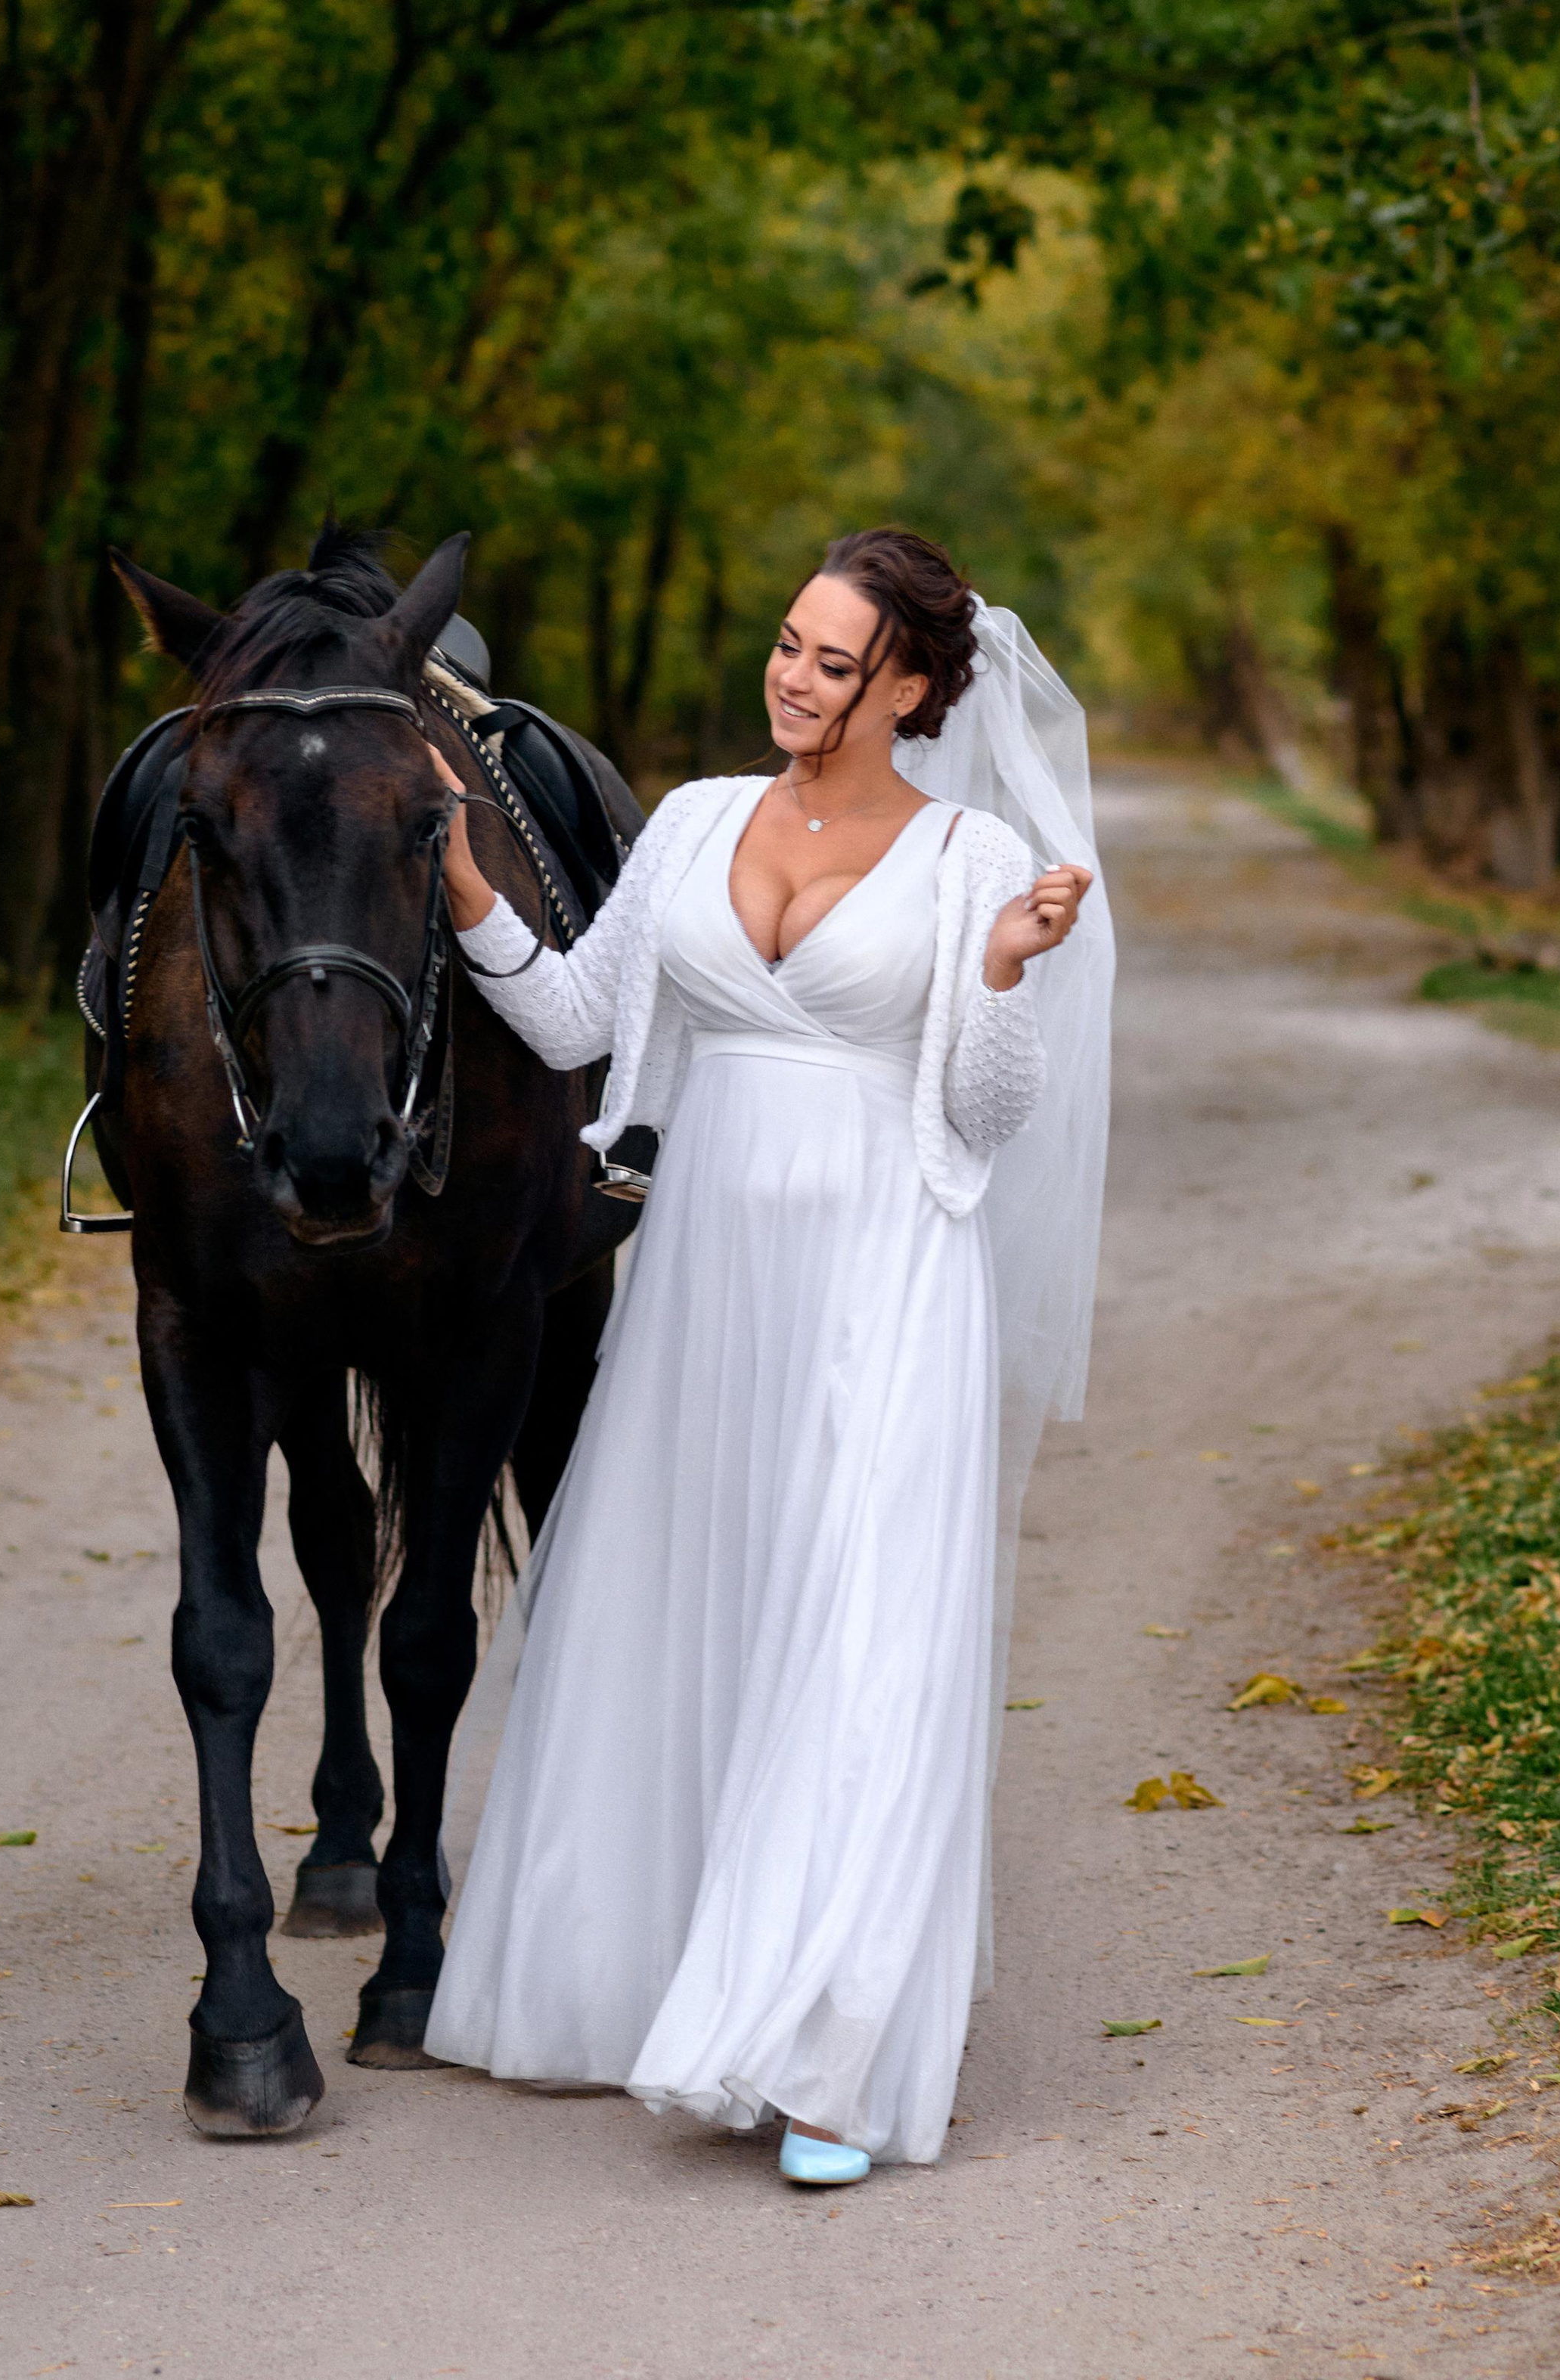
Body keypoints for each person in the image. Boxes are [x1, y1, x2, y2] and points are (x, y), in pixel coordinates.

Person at [420, 528, 1109, 2184]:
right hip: (705, 1291)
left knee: (861, 1647)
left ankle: (826, 2061)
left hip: (885, 1278)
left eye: (831, 661)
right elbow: (585, 1024)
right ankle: (654, 1977)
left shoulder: (968, 859)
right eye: (786, 646)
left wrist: (1006, 973)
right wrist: (463, 895)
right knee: (697, 1610)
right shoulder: (693, 821)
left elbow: (983, 1113)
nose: (792, 681)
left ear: (916, 688)